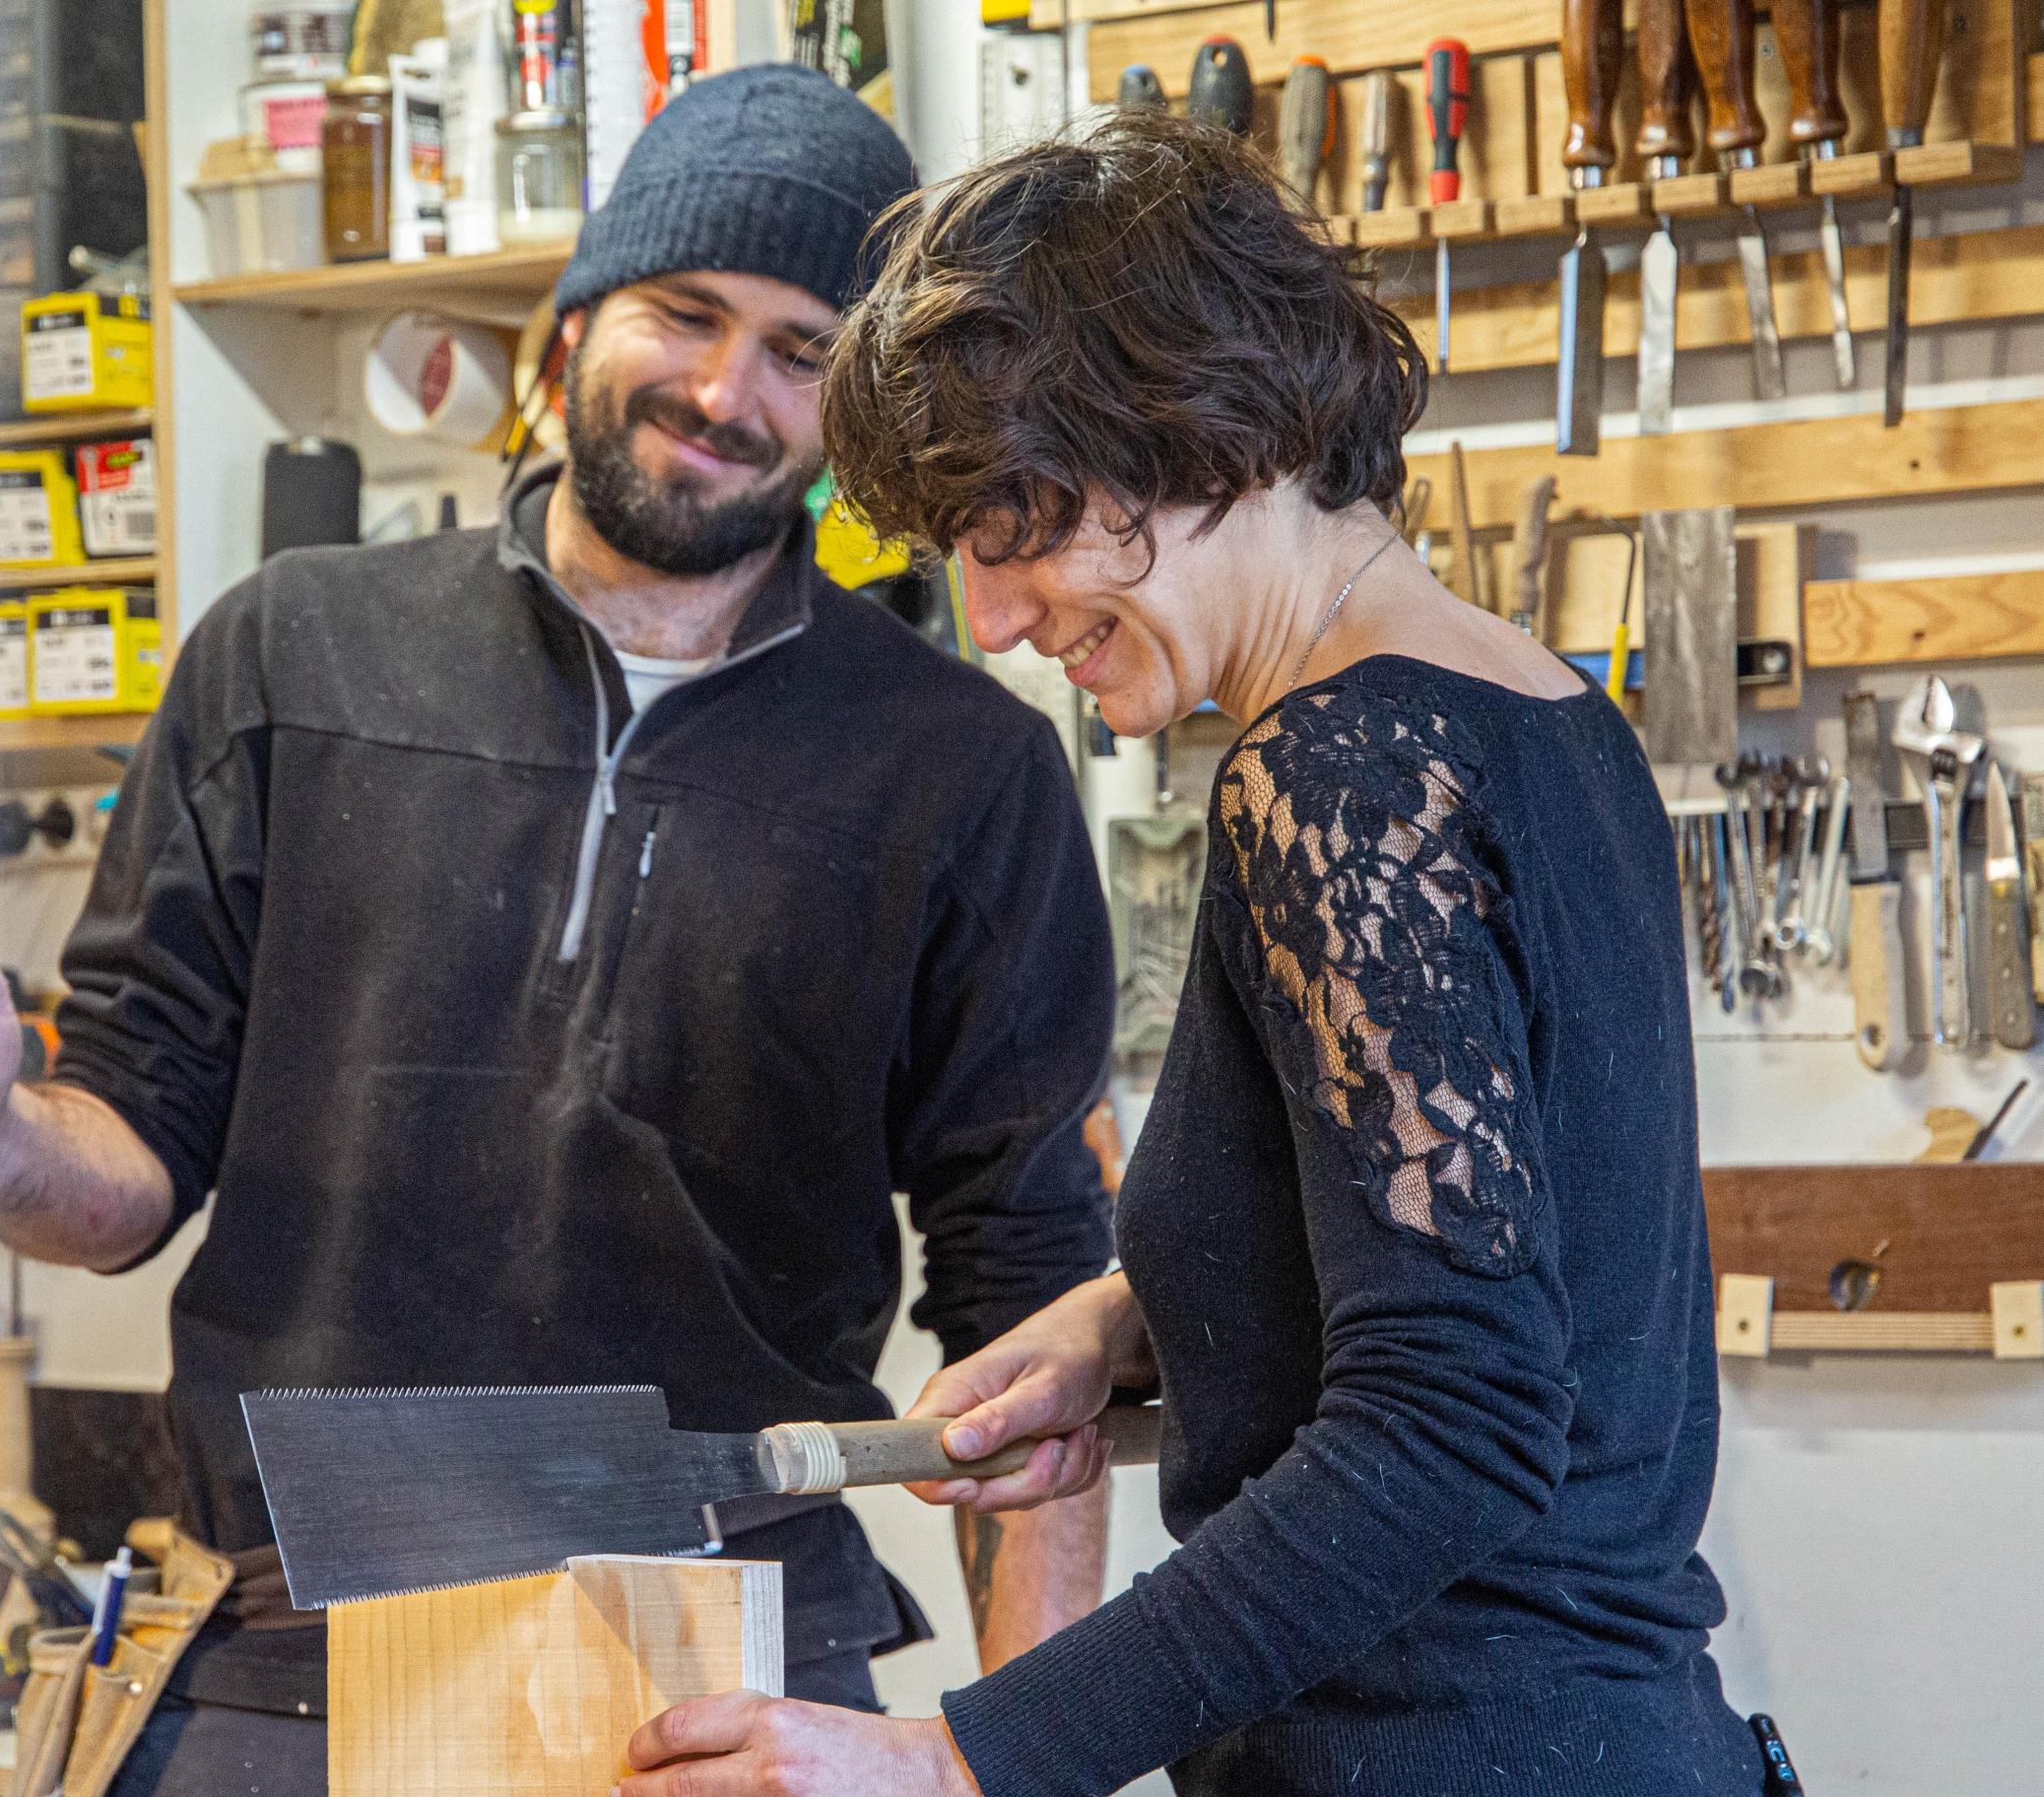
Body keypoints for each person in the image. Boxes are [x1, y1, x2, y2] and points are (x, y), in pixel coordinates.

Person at [0, 66, 1120, 1795]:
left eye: (806, 353)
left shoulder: (965, 770)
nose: (727, 391)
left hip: (722, 1689)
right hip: (277, 1665)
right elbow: (126, 1166)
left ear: (859, 413)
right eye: (687, 311)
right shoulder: (291, 654)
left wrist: (1012, 1766)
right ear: (576, 316)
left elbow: (1023, 1337)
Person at [616, 107, 1761, 1797]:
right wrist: (1137, 1320)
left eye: (1016, 531)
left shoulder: (1334, 777)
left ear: (1198, 431)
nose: (996, 621)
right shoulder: (1538, 716)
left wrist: (959, 1760)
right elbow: (1500, 1257)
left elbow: (1455, 1428)